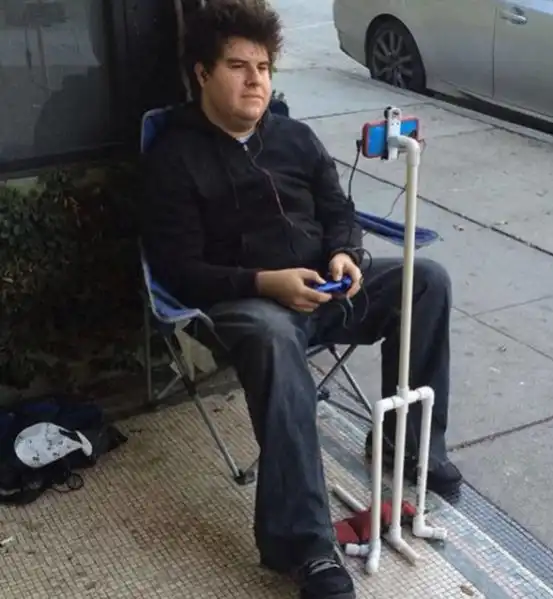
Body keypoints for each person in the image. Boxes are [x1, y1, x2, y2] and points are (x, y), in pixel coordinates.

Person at [140, 1, 462, 597]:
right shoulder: (174, 158)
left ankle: (407, 446)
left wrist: (346, 254)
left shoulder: (294, 137)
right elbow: (180, 272)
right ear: (203, 74)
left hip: (325, 286)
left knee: (427, 280)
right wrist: (267, 282)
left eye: (263, 67)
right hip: (246, 303)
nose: (256, 80)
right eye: (238, 66)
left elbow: (339, 210)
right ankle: (305, 546)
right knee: (272, 337)